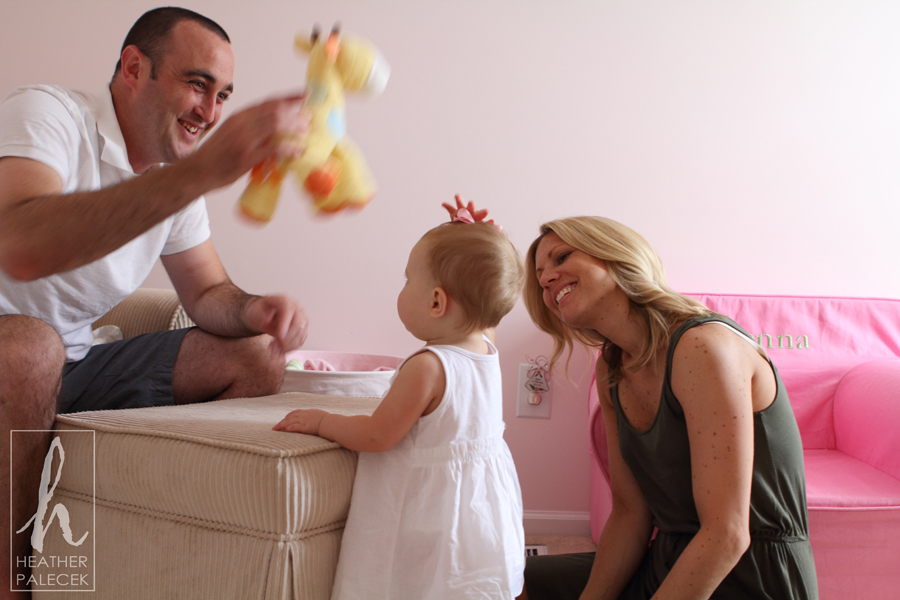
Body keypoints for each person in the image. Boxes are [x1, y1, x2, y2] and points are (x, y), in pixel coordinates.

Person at [0, 7, 311, 597]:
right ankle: (14, 583)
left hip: (74, 364)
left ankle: (173, 555)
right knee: (30, 348)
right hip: (12, 352)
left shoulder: (175, 178)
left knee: (256, 355)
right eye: (197, 84)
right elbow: (19, 246)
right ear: (133, 68)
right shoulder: (46, 113)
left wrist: (254, 311)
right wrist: (199, 175)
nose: (210, 112)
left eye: (223, 95)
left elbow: (207, 292)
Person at [519, 216, 818, 599]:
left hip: (752, 573)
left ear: (616, 255)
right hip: (668, 557)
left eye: (562, 258)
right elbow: (629, 514)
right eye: (540, 276)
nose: (547, 279)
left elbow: (726, 534)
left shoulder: (702, 346)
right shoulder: (611, 368)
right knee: (509, 580)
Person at [273, 207, 527, 599]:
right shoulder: (485, 348)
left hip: (427, 517)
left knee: (411, 584)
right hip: (475, 517)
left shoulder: (428, 366)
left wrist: (322, 420)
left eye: (408, 279)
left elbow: (377, 436)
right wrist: (489, 242)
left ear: (437, 302)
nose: (403, 287)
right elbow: (488, 307)